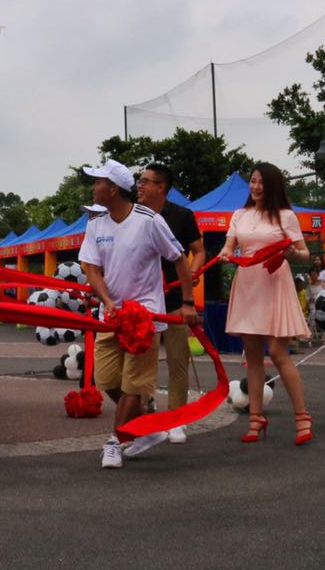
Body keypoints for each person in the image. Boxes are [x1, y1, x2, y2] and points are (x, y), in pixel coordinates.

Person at [78, 159, 194, 470]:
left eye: (98, 182)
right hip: (112, 315)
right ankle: (147, 426)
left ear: (113, 189)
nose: (94, 187)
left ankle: (115, 441)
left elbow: (180, 259)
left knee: (132, 384)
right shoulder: (96, 223)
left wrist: (188, 302)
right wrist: (107, 300)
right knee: (106, 381)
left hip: (145, 315)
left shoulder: (149, 220)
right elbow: (92, 268)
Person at [220, 163, 314, 445]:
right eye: (253, 181)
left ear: (272, 186)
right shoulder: (240, 214)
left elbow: (304, 253)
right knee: (253, 354)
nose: (255, 187)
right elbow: (230, 244)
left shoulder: (285, 216)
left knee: (277, 351)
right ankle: (255, 418)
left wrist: (288, 253)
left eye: (261, 182)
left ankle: (302, 417)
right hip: (248, 282)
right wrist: (226, 253)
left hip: (275, 282)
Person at [134, 163, 203, 444]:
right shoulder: (133, 215)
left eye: (145, 181)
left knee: (178, 361)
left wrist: (193, 272)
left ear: (161, 187)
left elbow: (198, 250)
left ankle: (176, 419)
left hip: (175, 300)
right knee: (141, 362)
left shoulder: (182, 216)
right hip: (144, 301)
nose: (139, 185)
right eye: (139, 180)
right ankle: (146, 411)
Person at [307, 256, 325, 342]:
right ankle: (311, 336)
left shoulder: (323, 283)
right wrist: (311, 299)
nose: (313, 276)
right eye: (312, 275)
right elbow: (307, 296)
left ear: (318, 275)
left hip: (321, 303)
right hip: (313, 304)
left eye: (315, 274)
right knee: (313, 315)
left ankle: (324, 336)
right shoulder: (309, 286)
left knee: (322, 317)